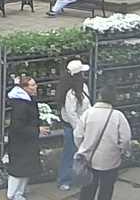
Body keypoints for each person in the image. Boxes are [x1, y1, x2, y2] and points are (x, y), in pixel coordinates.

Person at [75, 85, 131, 200]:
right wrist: (121, 151)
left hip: (89, 159)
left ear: (100, 96)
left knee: (87, 189)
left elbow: (78, 135)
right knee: (106, 189)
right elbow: (125, 139)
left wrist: (83, 147)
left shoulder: (87, 113)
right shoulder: (118, 116)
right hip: (110, 159)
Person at [7, 75, 48, 200]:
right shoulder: (21, 105)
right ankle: (12, 194)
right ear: (24, 88)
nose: (36, 87)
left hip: (27, 141)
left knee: (26, 168)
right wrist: (37, 130)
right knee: (18, 169)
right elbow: (17, 127)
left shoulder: (28, 100)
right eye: (33, 85)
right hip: (20, 143)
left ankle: (19, 192)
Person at [57, 60, 92, 191]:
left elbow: (87, 106)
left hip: (83, 126)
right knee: (70, 153)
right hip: (73, 127)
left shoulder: (83, 87)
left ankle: (78, 177)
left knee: (80, 154)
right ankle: (64, 179)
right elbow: (71, 113)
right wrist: (79, 129)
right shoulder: (71, 93)